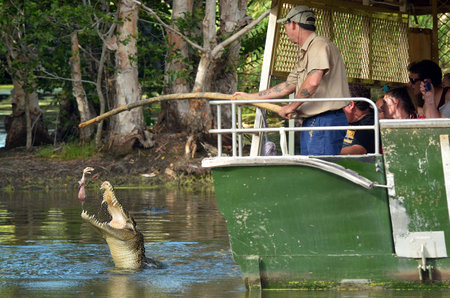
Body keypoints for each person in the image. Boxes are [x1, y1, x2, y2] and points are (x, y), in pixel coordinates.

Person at [233, 5, 350, 155]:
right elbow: (287, 86)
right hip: (313, 121)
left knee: (318, 173)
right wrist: (250, 97)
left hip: (324, 120)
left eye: (286, 25)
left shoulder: (319, 45)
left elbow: (313, 82)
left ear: (293, 24)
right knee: (309, 170)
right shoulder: (306, 52)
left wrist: (291, 106)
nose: (286, 29)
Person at [341, 83, 374, 155]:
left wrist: (329, 152)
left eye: (340, 103)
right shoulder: (346, 119)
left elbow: (360, 150)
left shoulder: (370, 124)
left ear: (351, 105)